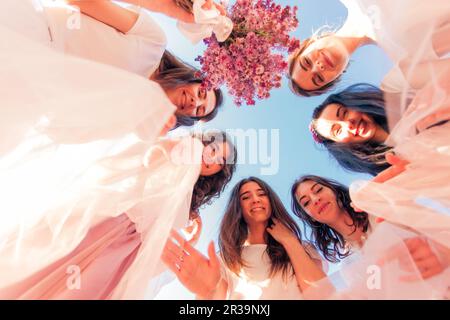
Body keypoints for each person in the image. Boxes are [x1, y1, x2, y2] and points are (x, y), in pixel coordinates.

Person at [0, 130, 237, 299]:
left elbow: (166, 235)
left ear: (219, 171)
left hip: (131, 248)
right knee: (55, 264)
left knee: (86, 289)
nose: (213, 158)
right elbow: (147, 158)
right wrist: (166, 152)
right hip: (115, 221)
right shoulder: (184, 148)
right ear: (205, 143)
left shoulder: (191, 200)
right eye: (214, 149)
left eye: (221, 161)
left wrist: (190, 228)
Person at [162, 177, 326, 300]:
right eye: (246, 197)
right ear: (238, 208)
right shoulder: (226, 259)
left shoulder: (303, 248)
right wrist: (206, 292)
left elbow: (323, 294)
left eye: (261, 194)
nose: (255, 199)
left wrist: (290, 242)